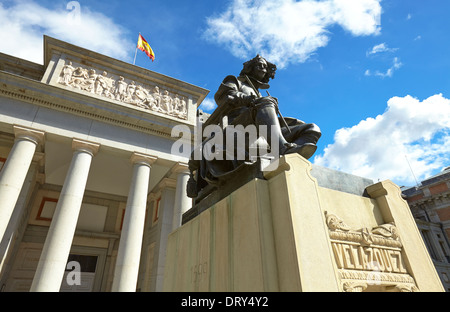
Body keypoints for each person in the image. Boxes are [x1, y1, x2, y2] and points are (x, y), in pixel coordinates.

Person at [186, 55, 321, 200]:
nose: (263, 68)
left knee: (312, 129)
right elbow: (224, 97)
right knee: (265, 103)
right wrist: (248, 99)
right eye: (259, 65)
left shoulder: (259, 92)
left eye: (265, 66)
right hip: (239, 125)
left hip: (262, 130)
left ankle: (288, 154)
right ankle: (282, 149)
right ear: (250, 68)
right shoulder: (235, 81)